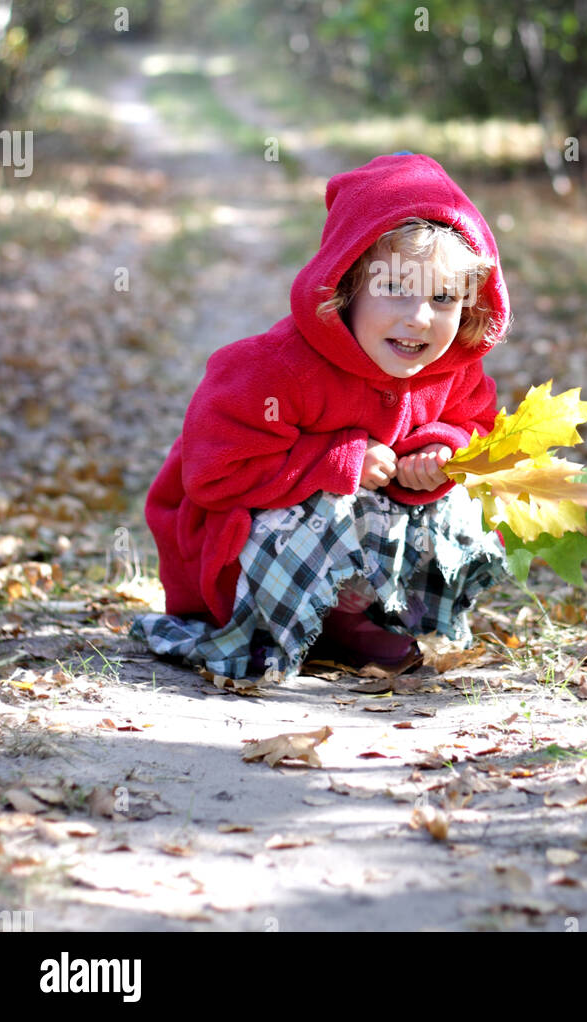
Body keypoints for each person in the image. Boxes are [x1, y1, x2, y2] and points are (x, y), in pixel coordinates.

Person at [131, 151, 513, 679]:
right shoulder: (277, 369)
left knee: (462, 494)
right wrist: (337, 460)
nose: (419, 317)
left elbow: (476, 424)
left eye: (444, 297)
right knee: (332, 497)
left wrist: (439, 449)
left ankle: (368, 612)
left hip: (348, 545)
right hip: (233, 556)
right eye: (394, 288)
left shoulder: (451, 370)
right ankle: (301, 621)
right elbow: (212, 475)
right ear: (347, 285)